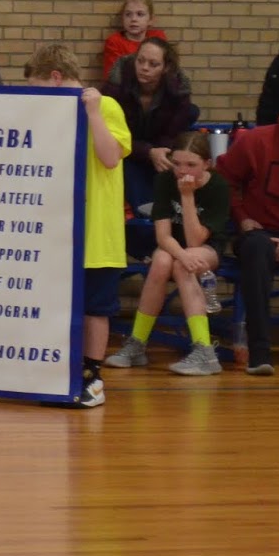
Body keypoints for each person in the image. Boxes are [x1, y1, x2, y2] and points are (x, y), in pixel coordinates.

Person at [23, 43, 131, 408]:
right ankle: (59, 374)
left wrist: (95, 114)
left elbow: (110, 157)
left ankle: (93, 376)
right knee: (58, 304)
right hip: (57, 230)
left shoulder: (106, 106)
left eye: (38, 88)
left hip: (98, 231)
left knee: (95, 308)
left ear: (55, 78)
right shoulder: (51, 115)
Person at [105, 131, 229, 376]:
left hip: (207, 248)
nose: (183, 171)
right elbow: (163, 236)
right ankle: (137, 344)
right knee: (162, 260)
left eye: (191, 165)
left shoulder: (218, 186)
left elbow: (196, 239)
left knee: (181, 265)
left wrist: (187, 196)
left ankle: (204, 351)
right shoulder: (164, 180)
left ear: (207, 164)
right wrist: (181, 255)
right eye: (178, 164)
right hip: (173, 247)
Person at [215, 86, 279, 375]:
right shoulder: (258, 141)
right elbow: (223, 181)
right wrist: (242, 217)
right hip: (261, 232)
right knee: (256, 249)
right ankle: (260, 353)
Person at [100, 37, 197, 214]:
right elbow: (111, 132)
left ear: (166, 67)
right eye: (140, 61)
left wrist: (162, 151)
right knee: (141, 201)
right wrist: (147, 152)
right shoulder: (117, 83)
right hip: (127, 150)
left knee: (192, 112)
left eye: (153, 64)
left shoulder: (178, 90)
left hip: (162, 148)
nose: (144, 68)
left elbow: (172, 134)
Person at [101, 0, 166, 80]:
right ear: (122, 18)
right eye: (128, 14)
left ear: (151, 19)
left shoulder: (157, 38)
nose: (133, 19)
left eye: (140, 14)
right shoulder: (114, 42)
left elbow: (166, 70)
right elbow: (112, 77)